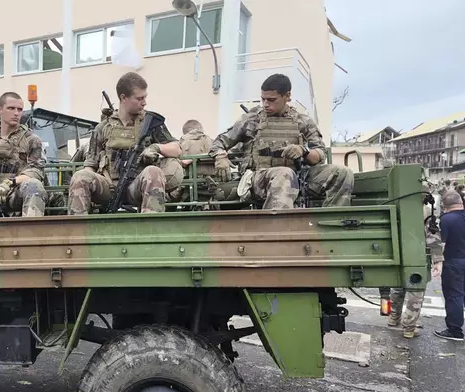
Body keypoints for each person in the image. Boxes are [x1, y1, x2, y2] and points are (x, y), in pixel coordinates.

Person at [208, 73, 354, 209]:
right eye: (263, 99)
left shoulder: (303, 122)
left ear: (287, 96)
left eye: (271, 100)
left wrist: (303, 151)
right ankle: (276, 229)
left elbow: (319, 154)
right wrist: (220, 157)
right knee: (285, 174)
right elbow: (219, 142)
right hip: (259, 179)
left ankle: (331, 225)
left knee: (342, 173)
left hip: (299, 176)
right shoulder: (251, 120)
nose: (266, 104)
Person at [67, 72, 183, 215]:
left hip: (137, 185)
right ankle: (78, 231)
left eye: (145, 97)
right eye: (139, 98)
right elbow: (90, 165)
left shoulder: (150, 122)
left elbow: (177, 149)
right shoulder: (103, 127)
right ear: (123, 98)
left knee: (154, 172)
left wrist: (156, 147)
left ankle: (151, 230)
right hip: (109, 187)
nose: (144, 102)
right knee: (80, 176)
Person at [388, 183, 443, 338]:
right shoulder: (426, 212)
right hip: (417, 256)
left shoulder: (397, 208)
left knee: (397, 289)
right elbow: (433, 236)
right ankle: (409, 328)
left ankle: (394, 318)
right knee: (415, 292)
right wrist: (438, 260)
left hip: (397, 255)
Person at [434, 190, 465, 341]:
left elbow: (441, 245)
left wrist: (437, 263)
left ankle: (455, 330)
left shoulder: (446, 219)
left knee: (454, 295)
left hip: (454, 262)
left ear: (445, 205)